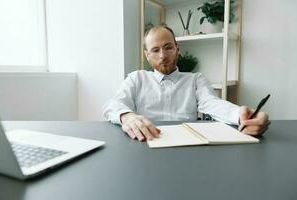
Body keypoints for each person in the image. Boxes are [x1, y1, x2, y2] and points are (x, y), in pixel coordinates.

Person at [103, 25, 269, 142]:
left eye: (168, 47)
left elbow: (212, 104)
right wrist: (127, 117)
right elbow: (113, 104)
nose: (162, 55)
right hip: (145, 141)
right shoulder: (136, 78)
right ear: (147, 55)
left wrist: (240, 115)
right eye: (155, 50)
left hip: (189, 144)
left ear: (177, 48)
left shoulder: (196, 80)